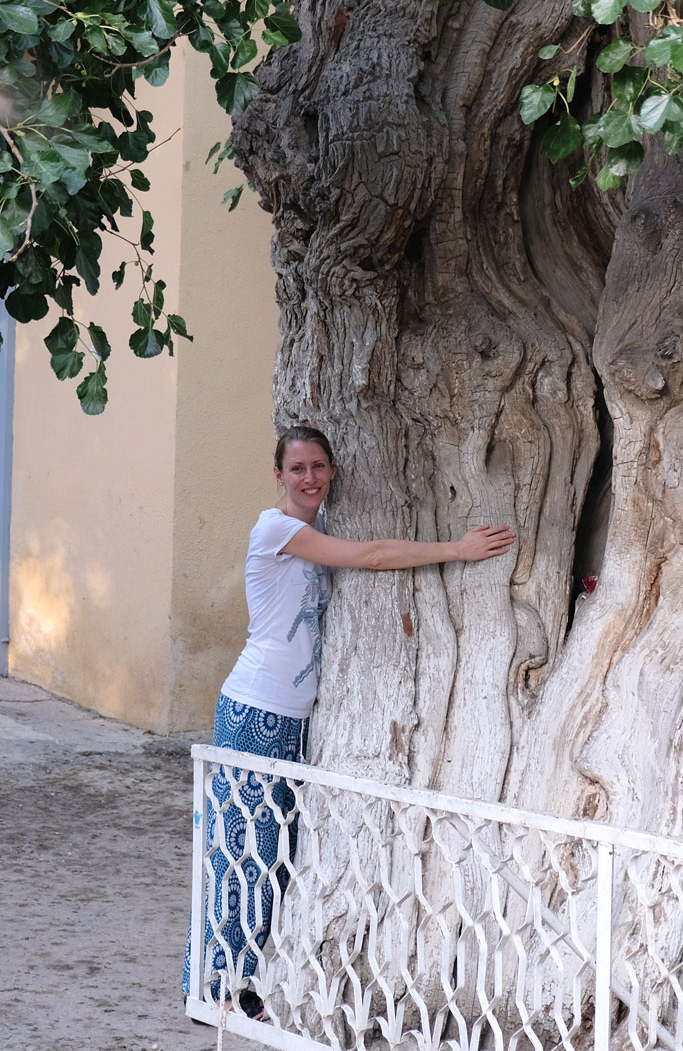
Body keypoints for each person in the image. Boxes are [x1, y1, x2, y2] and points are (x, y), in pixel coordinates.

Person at [183, 424, 516, 1015]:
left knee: (278, 852)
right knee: (239, 850)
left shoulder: (315, 532)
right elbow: (373, 557)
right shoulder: (276, 530)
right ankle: (213, 987)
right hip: (254, 708)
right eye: (297, 469)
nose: (308, 478)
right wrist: (457, 550)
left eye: (318, 467)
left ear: (333, 470)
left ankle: (246, 981)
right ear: (279, 476)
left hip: (294, 717)